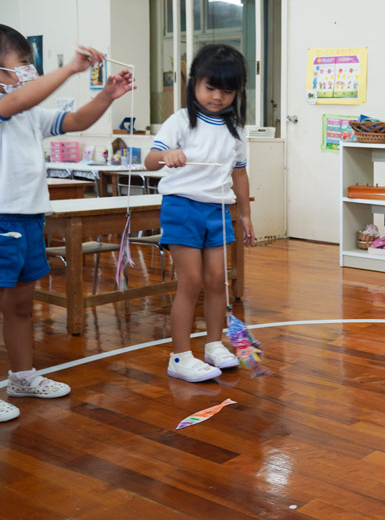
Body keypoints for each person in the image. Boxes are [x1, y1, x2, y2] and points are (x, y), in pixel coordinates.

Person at [0, 25, 133, 422]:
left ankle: (23, 376)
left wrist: (107, 96)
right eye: (21, 64)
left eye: (29, 65)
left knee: (21, 304)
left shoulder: (29, 114)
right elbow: (16, 101)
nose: (28, 72)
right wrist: (71, 68)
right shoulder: (11, 105)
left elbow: (74, 121)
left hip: (28, 217)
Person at [144, 44, 255, 383]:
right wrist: (168, 155)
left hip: (219, 210)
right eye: (210, 87)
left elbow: (239, 173)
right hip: (182, 207)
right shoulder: (180, 121)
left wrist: (245, 214)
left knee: (217, 282)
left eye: (227, 90)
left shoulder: (236, 129)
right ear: (194, 83)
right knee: (190, 282)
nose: (218, 97)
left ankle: (213, 344)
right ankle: (179, 356)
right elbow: (149, 161)